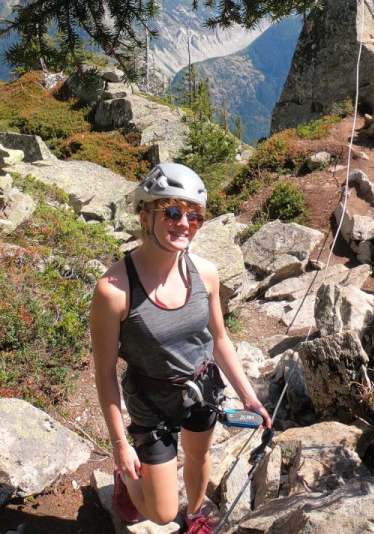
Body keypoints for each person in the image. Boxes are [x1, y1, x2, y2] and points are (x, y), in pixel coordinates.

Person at [92, 162, 271, 533]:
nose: (184, 223)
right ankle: (126, 480)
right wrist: (120, 444)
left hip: (201, 387)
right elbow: (105, 372)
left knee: (198, 454)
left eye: (195, 217)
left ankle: (194, 515)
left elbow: (219, 339)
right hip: (151, 399)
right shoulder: (114, 290)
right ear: (146, 215)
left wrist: (249, 396)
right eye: (172, 212)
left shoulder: (205, 273)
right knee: (158, 514)